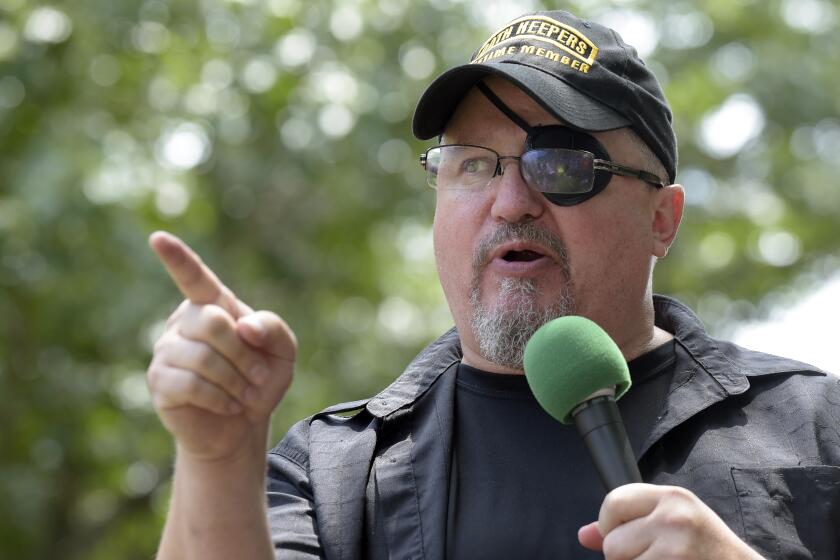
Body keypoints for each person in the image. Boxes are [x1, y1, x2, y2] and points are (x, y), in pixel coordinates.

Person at [145, 9, 840, 560]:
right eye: (473, 164)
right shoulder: (334, 475)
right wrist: (219, 458)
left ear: (663, 219)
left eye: (561, 164)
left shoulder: (817, 429)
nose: (511, 201)